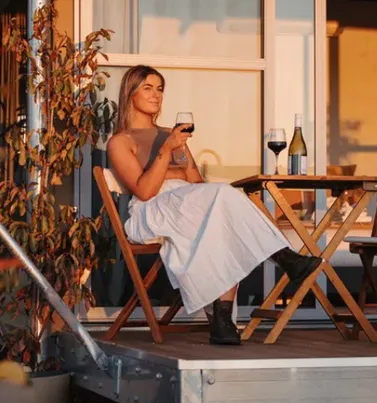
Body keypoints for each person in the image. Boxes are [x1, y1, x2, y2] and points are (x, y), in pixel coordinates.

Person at [106, 65, 321, 345]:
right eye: (148, 87)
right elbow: (145, 190)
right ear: (130, 92)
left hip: (188, 201)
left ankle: (222, 324)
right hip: (152, 211)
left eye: (160, 88)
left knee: (223, 215)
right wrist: (168, 155)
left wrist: (175, 162)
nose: (156, 94)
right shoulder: (121, 141)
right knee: (223, 196)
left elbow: (194, 181)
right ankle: (282, 257)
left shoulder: (171, 135)